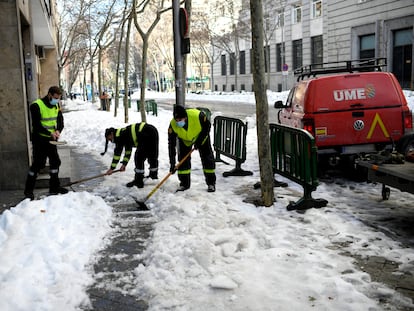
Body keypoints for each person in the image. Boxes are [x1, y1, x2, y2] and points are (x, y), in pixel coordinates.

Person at [24, 86, 69, 200]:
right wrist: (50, 133)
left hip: (51, 140)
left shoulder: (56, 105)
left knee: (55, 162)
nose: (57, 100)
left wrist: (58, 130)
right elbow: (37, 125)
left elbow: (60, 120)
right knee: (38, 164)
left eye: (58, 98)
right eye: (55, 98)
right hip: (39, 139)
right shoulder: (36, 106)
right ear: (49, 94)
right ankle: (28, 191)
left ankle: (54, 188)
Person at [168, 105, 216, 192]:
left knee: (207, 158)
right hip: (185, 140)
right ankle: (184, 184)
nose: (178, 122)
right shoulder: (172, 125)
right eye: (176, 120)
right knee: (183, 160)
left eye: (180, 119)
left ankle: (211, 183)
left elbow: (207, 126)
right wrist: (172, 163)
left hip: (201, 137)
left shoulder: (197, 115)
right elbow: (171, 144)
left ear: (185, 117)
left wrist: (199, 141)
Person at [102, 122, 159, 188]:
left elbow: (117, 154)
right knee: (152, 154)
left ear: (111, 134)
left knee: (139, 158)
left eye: (109, 139)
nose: (110, 141)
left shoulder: (118, 136)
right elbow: (128, 151)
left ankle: (138, 181)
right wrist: (124, 164)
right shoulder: (123, 133)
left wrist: (111, 169)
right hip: (153, 130)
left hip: (144, 132)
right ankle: (153, 175)